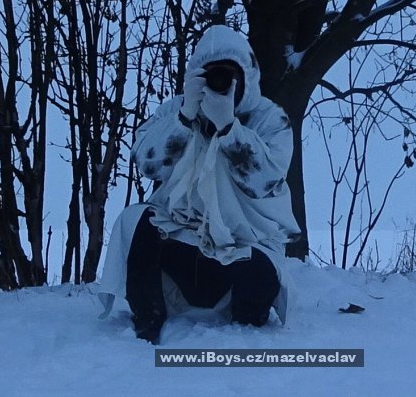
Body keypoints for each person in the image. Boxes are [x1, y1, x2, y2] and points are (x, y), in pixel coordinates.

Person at [98, 25, 300, 344]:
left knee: (260, 272)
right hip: (182, 235)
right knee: (135, 221)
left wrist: (229, 128)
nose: (221, 84)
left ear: (246, 79)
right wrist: (183, 118)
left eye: (229, 77)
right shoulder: (177, 109)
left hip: (246, 239)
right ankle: (148, 317)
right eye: (212, 75)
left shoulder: (269, 120)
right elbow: (147, 164)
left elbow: (266, 181)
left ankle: (246, 323)